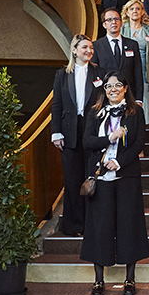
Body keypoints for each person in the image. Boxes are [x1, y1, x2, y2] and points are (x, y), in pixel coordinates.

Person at [80, 70, 149, 295]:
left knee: (129, 226)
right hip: (100, 177)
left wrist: (119, 162)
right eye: (109, 86)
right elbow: (87, 141)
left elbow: (139, 143)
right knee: (100, 228)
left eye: (118, 85)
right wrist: (109, 138)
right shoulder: (95, 112)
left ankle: (130, 279)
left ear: (125, 88)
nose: (113, 89)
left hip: (126, 176)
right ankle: (99, 281)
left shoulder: (135, 111)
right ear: (104, 90)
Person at [51, 35, 102, 236]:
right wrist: (56, 132)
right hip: (69, 132)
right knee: (72, 180)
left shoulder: (99, 73)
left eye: (91, 48)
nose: (89, 51)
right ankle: (73, 225)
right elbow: (57, 105)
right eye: (85, 47)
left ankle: (92, 225)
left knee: (92, 177)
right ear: (74, 50)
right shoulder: (62, 74)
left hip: (92, 131)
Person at [93, 8, 144, 105]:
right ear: (104, 24)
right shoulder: (96, 46)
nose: (114, 22)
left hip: (129, 96)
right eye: (109, 19)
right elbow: (95, 74)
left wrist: (139, 99)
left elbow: (138, 72)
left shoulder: (132, 44)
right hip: (106, 98)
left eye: (116, 19)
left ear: (121, 23)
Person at [120, 0, 149, 125]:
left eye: (138, 8)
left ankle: (142, 126)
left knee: (144, 101)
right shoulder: (122, 29)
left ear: (142, 12)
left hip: (144, 69)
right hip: (126, 68)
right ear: (127, 12)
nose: (135, 11)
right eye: (131, 9)